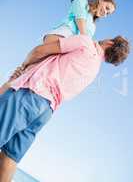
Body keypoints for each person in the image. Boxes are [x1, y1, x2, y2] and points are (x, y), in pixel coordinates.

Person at [0, 34, 130, 182]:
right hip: (46, 111)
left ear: (109, 42)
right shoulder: (93, 70)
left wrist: (23, 66)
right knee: (10, 157)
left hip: (31, 94)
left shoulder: (86, 43)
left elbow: (40, 51)